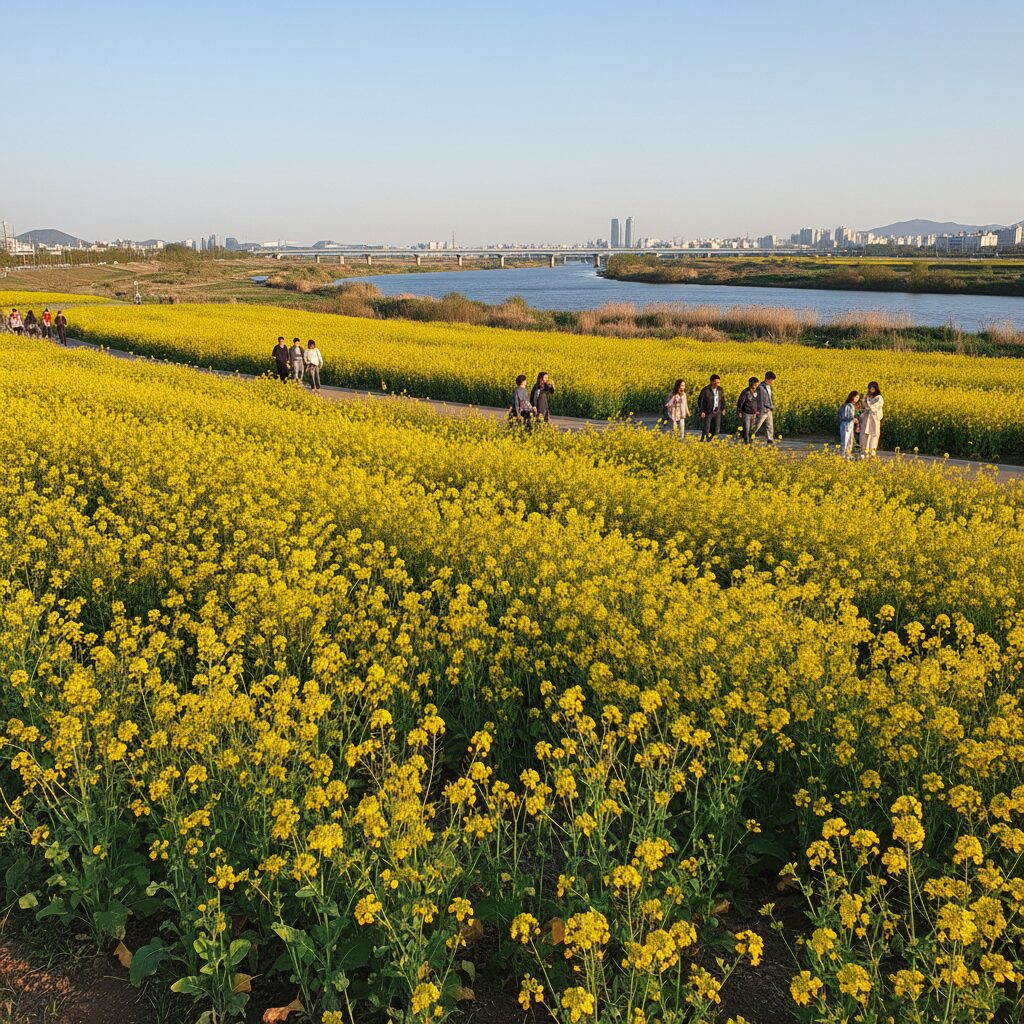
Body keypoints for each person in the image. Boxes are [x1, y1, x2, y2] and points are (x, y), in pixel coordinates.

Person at [859, 381, 884, 457]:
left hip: (874, 418)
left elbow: (874, 407)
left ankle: (872, 452)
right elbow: (864, 406)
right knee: (864, 434)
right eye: (870, 388)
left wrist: (867, 403)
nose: (871, 389)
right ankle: (863, 451)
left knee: (874, 434)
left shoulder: (879, 398)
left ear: (876, 388)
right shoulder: (867, 396)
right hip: (866, 418)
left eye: (872, 388)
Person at [697, 374, 724, 441]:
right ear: (711, 382)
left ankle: (710, 439)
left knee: (717, 429)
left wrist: (723, 408)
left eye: (718, 382)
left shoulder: (720, 390)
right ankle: (704, 439)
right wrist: (702, 411)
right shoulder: (705, 390)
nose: (717, 384)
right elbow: (701, 401)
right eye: (716, 382)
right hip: (708, 411)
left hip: (717, 411)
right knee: (706, 427)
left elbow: (722, 400)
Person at [752, 371, 777, 445]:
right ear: (767, 379)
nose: (772, 382)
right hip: (762, 410)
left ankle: (770, 439)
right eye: (771, 380)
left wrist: (772, 405)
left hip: (769, 410)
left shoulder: (769, 387)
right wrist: (770, 406)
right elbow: (763, 400)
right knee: (757, 425)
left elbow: (770, 397)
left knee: (770, 425)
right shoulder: (760, 387)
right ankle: (749, 436)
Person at [737, 377, 761, 445]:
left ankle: (750, 441)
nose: (756, 386)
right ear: (751, 384)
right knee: (746, 428)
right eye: (755, 385)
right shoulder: (745, 392)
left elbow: (758, 401)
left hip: (754, 413)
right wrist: (739, 412)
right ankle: (746, 442)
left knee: (752, 429)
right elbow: (740, 402)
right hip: (746, 413)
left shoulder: (757, 391)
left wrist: (758, 410)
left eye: (757, 385)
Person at [838, 391, 860, 459]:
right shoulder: (847, 405)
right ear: (852, 396)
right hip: (845, 425)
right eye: (856, 397)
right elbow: (844, 416)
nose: (857, 399)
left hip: (850, 425)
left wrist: (853, 420)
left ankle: (848, 454)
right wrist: (852, 419)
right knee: (845, 440)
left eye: (858, 398)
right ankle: (843, 455)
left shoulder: (852, 405)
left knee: (850, 440)